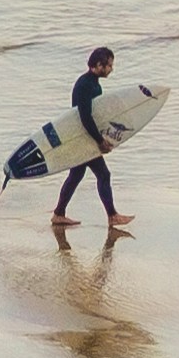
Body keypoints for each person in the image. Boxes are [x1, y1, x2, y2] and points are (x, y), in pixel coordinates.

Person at [53, 44, 135, 242]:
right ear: (98, 65)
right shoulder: (85, 85)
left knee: (76, 175)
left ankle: (58, 214)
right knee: (103, 174)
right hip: (84, 138)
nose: (111, 69)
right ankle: (112, 215)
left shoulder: (93, 84)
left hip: (84, 137)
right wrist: (99, 141)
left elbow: (97, 115)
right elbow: (85, 117)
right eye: (109, 65)